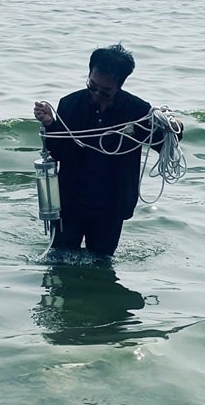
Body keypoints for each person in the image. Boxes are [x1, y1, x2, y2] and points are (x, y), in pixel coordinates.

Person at [32, 44, 183, 258]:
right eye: (92, 86)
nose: (96, 94)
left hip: (112, 205)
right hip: (70, 201)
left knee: (102, 262)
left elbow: (162, 143)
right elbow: (58, 153)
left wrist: (174, 127)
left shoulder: (137, 110)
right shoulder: (70, 104)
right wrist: (50, 124)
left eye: (105, 91)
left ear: (120, 85)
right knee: (59, 259)